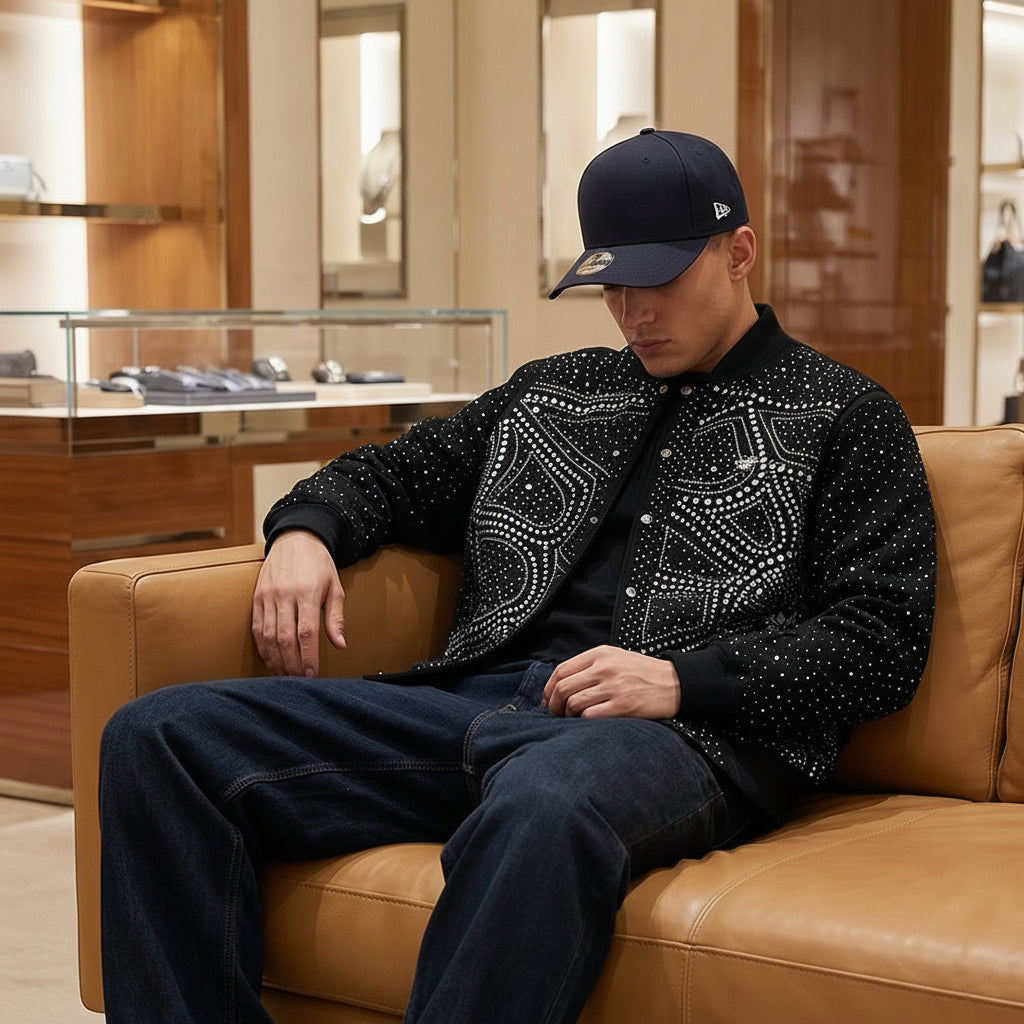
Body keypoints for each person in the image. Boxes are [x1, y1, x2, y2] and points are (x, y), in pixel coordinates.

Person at [98, 129, 936, 1024]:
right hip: (474, 705)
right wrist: (305, 532)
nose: (632, 313)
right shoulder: (552, 394)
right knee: (159, 738)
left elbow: (881, 639)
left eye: (657, 281)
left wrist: (677, 680)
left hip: (682, 738)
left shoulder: (845, 415)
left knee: (545, 802)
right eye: (611, 286)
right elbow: (393, 476)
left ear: (739, 253)